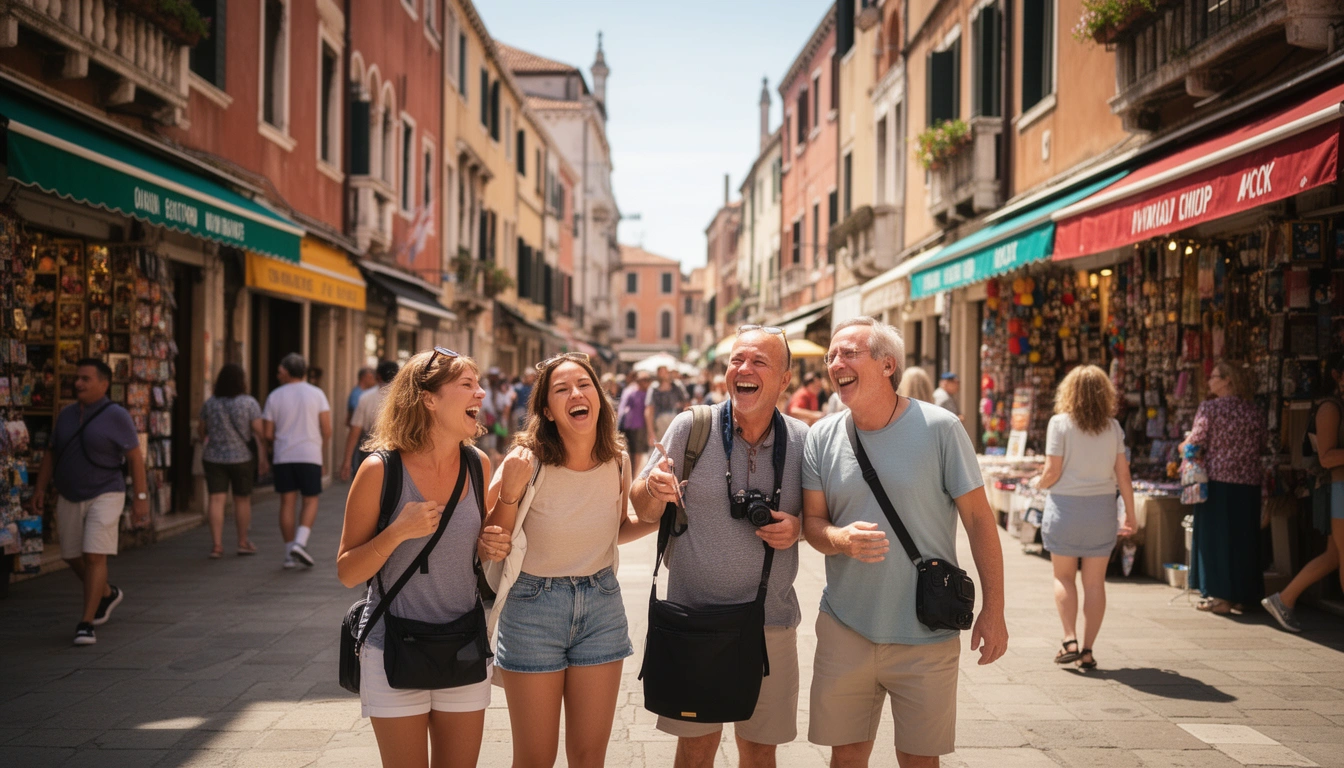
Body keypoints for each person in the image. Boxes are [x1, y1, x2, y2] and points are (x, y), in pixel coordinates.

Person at [801, 318, 1007, 767]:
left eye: (849, 353)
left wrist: (994, 610)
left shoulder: (941, 428)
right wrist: (839, 538)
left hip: (925, 631)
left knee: (919, 760)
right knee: (846, 758)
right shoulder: (821, 436)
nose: (836, 363)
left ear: (887, 364)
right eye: (831, 356)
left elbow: (979, 520)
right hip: (845, 625)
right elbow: (812, 524)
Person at [634, 326, 807, 768]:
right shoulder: (692, 427)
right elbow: (639, 506)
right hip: (694, 620)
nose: (743, 370)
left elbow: (823, 521)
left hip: (771, 623)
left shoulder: (805, 442)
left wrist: (799, 529)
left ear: (785, 380)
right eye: (736, 360)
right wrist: (653, 488)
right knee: (694, 752)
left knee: (760, 752)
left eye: (759, 362)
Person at [481, 352, 655, 768]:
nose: (576, 393)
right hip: (532, 608)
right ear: (547, 410)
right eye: (561, 389)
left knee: (589, 757)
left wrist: (657, 518)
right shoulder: (525, 461)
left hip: (601, 605)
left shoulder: (618, 459)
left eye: (584, 385)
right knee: (535, 758)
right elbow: (491, 539)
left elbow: (614, 529)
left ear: (598, 396)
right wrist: (510, 491)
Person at [336, 347, 493, 768]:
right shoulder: (379, 471)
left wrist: (491, 545)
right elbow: (348, 571)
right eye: (467, 385)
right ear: (429, 399)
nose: (481, 393)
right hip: (391, 649)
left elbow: (479, 554)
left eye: (478, 384)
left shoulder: (479, 466)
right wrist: (397, 532)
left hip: (464, 646)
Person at [32, 359, 149, 646]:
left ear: (104, 384)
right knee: (71, 555)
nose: (78, 383)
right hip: (69, 494)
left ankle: (86, 623)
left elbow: (135, 457)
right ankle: (106, 593)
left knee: (95, 554)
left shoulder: (117, 415)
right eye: (77, 378)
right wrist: (39, 488)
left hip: (107, 492)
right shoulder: (66, 415)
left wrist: (141, 498)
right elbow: (51, 453)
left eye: (85, 378)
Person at [1032, 365, 1136, 670]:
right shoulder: (1113, 428)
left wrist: (1036, 484)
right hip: (1102, 511)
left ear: (1069, 392)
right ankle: (1088, 650)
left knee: (1063, 577)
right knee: (1095, 584)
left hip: (1065, 510)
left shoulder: (1060, 424)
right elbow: (1124, 476)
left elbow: (1052, 472)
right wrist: (1130, 514)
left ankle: (1070, 639)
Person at [1263, 352, 1344, 632]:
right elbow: (1326, 457)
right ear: (1337, 377)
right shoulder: (1331, 409)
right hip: (1339, 488)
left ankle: (1283, 599)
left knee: (1334, 556)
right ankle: (1283, 598)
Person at [1182, 360, 1266, 614]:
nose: (1209, 381)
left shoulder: (1210, 409)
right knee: (1244, 538)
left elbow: (1195, 442)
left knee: (1215, 540)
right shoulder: (1253, 411)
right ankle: (1244, 595)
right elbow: (1262, 441)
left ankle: (1220, 598)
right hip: (1248, 482)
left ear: (1228, 380)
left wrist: (1184, 448)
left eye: (1214, 376)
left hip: (1217, 482)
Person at [262, 353, 333, 570]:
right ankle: (301, 543)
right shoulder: (317, 394)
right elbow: (327, 429)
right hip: (309, 454)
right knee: (310, 500)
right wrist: (321, 452)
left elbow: (267, 433)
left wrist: (276, 444)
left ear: (286, 371)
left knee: (287, 502)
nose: (277, 374)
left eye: (280, 370)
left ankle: (289, 553)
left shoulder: (275, 396)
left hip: (284, 455)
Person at [199, 363, 267, 558]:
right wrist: (263, 455)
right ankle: (242, 542)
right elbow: (259, 431)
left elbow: (202, 430)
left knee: (216, 499)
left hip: (213, 457)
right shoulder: (249, 403)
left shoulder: (210, 403)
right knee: (242, 500)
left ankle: (217, 545)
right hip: (241, 458)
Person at [342, 360, 400, 482]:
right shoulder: (405, 397)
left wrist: (347, 461)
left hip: (370, 452)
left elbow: (355, 431)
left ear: (378, 376)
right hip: (399, 453)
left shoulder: (366, 397)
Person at [645, 365, 689, 448]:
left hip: (676, 424)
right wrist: (651, 432)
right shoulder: (654, 388)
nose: (664, 374)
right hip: (660, 426)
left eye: (666, 371)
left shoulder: (677, 386)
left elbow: (686, 405)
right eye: (662, 371)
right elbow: (649, 410)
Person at [618, 371, 653, 468]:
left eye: (647, 380)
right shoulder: (631, 391)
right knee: (629, 452)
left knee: (638, 453)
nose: (645, 383)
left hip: (641, 426)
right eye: (642, 380)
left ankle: (633, 476)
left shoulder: (650, 393)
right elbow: (622, 407)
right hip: (630, 426)